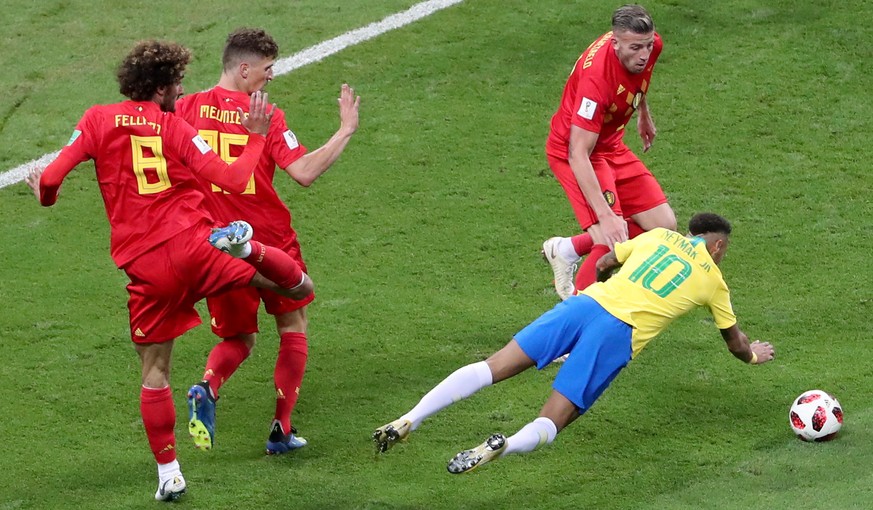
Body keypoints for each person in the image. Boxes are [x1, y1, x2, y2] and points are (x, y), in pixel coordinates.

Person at [25, 40, 314, 502]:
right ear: (160, 88)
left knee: (155, 370)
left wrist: (44, 195)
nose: (181, 89)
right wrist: (256, 135)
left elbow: (51, 180)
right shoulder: (173, 126)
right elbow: (235, 179)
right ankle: (289, 274)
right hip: (197, 248)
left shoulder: (96, 120)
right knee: (281, 284)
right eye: (176, 82)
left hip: (147, 268)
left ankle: (170, 474)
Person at [373, 213, 775, 474]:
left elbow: (602, 263)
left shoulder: (658, 236)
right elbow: (736, 343)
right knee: (555, 418)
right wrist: (755, 355)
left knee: (491, 367)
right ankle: (504, 444)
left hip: (584, 306)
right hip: (616, 336)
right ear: (717, 246)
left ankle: (412, 417)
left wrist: (601, 292)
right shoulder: (713, 281)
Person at [175, 27, 359, 455]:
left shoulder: (186, 108)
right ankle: (281, 429)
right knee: (293, 325)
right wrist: (345, 130)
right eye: (267, 68)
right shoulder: (267, 117)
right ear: (244, 69)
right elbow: (305, 172)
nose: (271, 76)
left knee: (238, 338)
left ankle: (208, 385)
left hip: (216, 244)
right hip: (270, 243)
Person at [542, 4, 677, 300]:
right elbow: (578, 152)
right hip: (576, 152)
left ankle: (566, 250)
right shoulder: (597, 82)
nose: (643, 54)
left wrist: (643, 111)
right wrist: (605, 216)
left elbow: (639, 78)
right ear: (615, 43)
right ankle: (573, 324)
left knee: (663, 228)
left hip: (610, 145)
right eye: (635, 48)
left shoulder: (650, 45)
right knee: (611, 239)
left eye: (647, 45)